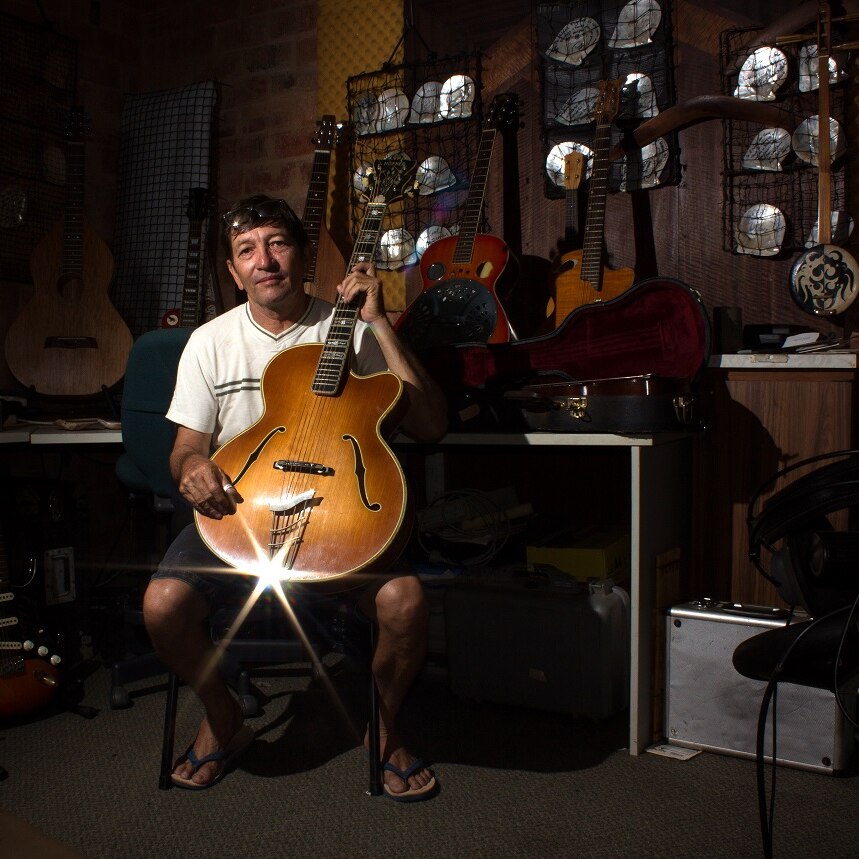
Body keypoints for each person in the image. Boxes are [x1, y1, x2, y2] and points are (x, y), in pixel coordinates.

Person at [142, 194, 448, 799]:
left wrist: (379, 323)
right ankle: (224, 715)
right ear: (233, 271)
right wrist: (193, 469)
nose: (265, 261)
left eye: (278, 244)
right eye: (247, 250)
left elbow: (433, 426)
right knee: (161, 606)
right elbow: (185, 448)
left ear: (303, 256)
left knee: (406, 603)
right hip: (240, 514)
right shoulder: (209, 342)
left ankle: (383, 726)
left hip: (342, 513)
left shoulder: (350, 330)